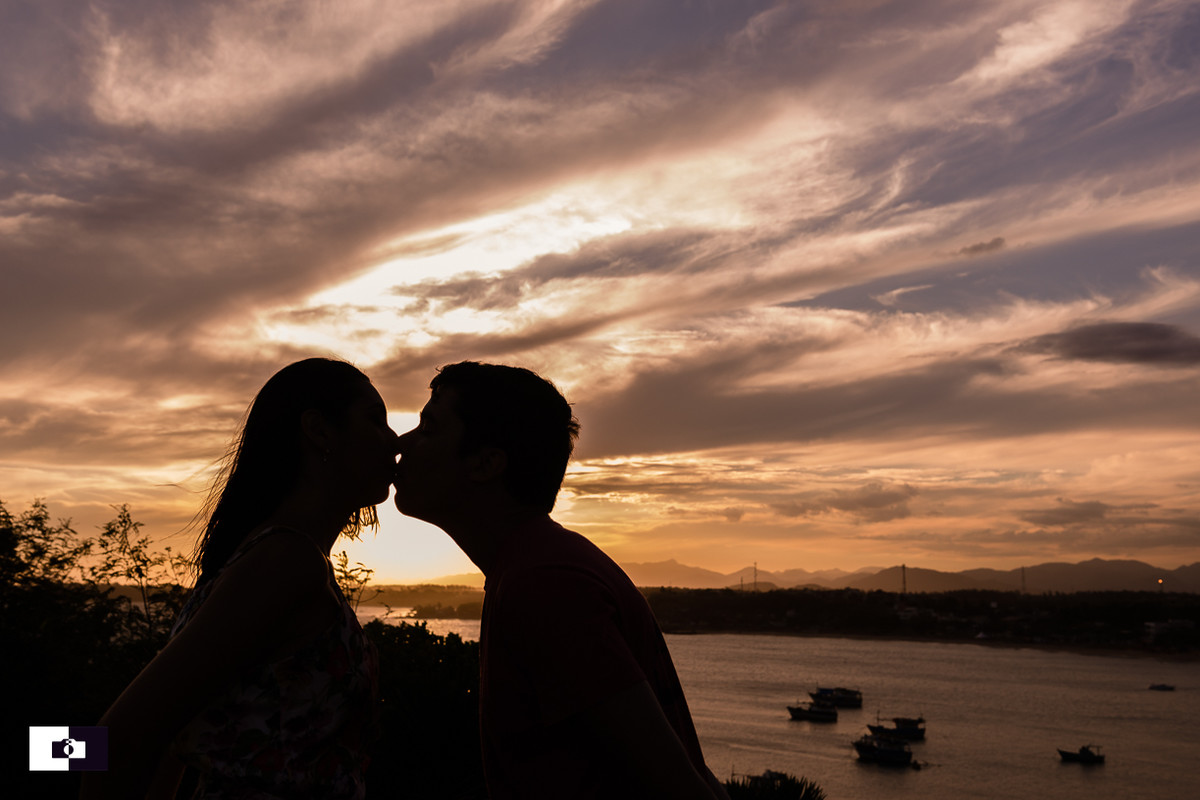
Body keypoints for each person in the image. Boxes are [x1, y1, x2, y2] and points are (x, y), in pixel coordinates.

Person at [393, 361, 730, 800]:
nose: (402, 444)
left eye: (428, 429)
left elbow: (681, 788)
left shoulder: (544, 587)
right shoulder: (538, 568)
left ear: (486, 463)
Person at [81, 358, 398, 800]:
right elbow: (119, 734)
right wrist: (28, 750)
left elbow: (177, 733)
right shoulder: (285, 562)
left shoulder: (280, 558)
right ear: (321, 431)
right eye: (376, 421)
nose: (395, 441)